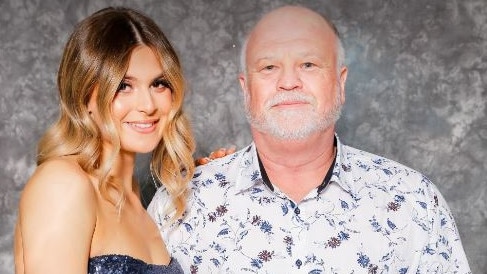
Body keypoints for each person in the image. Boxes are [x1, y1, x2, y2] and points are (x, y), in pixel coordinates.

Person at [148, 5, 471, 273]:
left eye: (308, 64)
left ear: (340, 83)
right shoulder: (178, 205)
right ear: (246, 89)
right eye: (270, 67)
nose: (289, 81)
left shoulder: (413, 201)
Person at [14, 7, 195, 273]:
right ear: (85, 96)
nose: (147, 105)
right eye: (124, 86)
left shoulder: (137, 199)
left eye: (158, 84)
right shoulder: (63, 184)